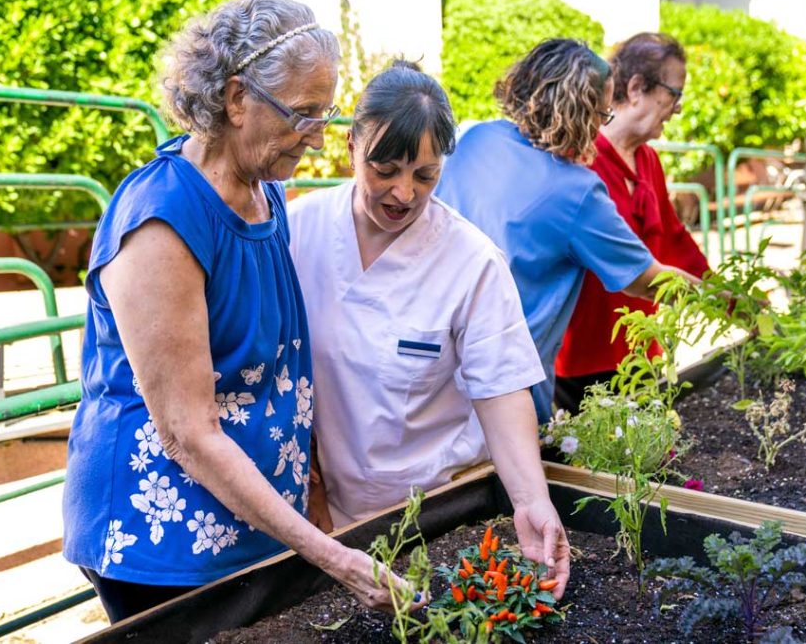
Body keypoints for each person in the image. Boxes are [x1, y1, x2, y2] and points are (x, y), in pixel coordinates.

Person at [62, 0, 418, 623]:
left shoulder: (265, 192)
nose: (317, 134)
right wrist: (331, 556)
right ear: (235, 99)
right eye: (302, 113)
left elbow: (282, 368)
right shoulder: (163, 222)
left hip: (250, 515)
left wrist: (309, 493)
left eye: (326, 112)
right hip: (164, 532)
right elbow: (188, 434)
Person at [288, 61, 569, 597]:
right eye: (384, 169)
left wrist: (532, 501)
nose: (403, 193)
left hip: (439, 510)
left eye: (425, 175)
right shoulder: (300, 230)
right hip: (333, 520)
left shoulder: (471, 261)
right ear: (351, 145)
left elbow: (502, 389)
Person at [435, 39, 701, 424]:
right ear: (580, 113)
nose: (600, 126)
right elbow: (646, 279)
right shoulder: (576, 191)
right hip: (507, 387)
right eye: (601, 115)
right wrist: (722, 299)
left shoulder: (476, 138)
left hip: (439, 364)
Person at [553, 33, 710, 411]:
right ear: (637, 87)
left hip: (640, 350)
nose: (677, 109)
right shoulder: (581, 156)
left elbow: (674, 240)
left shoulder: (649, 161)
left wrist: (731, 299)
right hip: (581, 355)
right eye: (674, 94)